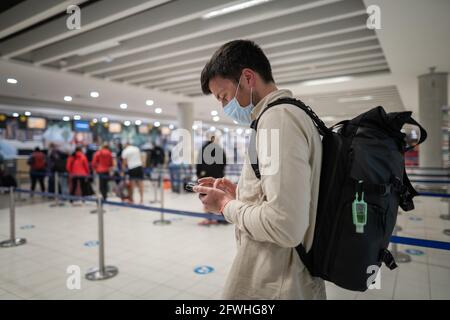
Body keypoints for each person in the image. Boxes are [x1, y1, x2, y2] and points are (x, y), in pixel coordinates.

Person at [194, 40, 325, 300]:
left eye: (224, 96)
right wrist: (239, 194)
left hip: (279, 281)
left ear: (248, 78)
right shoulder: (275, 117)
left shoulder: (278, 119)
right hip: (277, 273)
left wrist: (224, 205)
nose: (224, 107)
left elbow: (286, 226)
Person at [196, 135, 227, 226]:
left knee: (206, 197)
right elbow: (224, 162)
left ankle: (208, 219)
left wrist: (198, 175)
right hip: (218, 178)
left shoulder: (203, 148)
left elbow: (199, 163)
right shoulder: (219, 149)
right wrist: (220, 173)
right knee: (217, 198)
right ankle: (217, 219)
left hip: (205, 177)